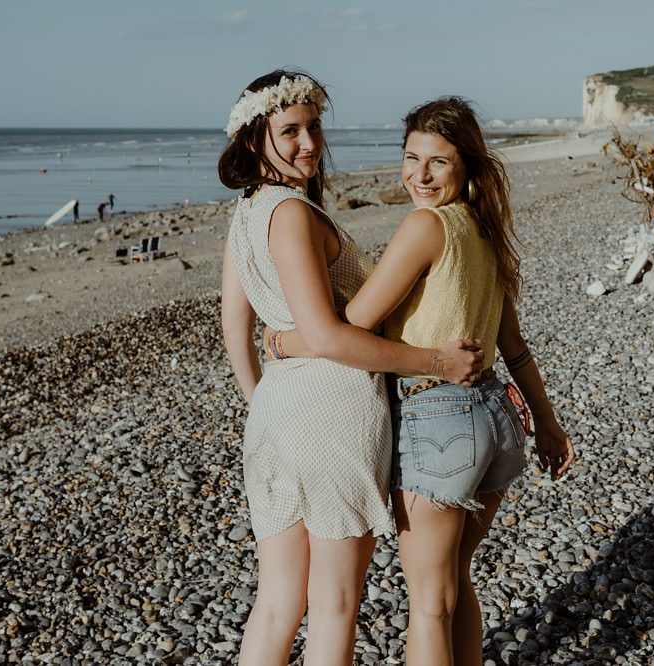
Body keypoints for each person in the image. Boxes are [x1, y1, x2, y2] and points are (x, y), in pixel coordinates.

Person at [269, 96, 575, 665]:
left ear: (467, 167)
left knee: (429, 602)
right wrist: (548, 426)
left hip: (440, 421)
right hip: (497, 422)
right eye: (411, 158)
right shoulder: (486, 231)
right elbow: (515, 348)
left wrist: (284, 342)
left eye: (438, 162)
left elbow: (349, 325)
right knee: (455, 581)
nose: (420, 175)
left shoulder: (424, 227)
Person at [217, 71, 483, 665]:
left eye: (313, 127)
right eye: (290, 131)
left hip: (273, 414)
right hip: (335, 414)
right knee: (335, 601)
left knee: (277, 600)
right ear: (254, 137)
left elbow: (237, 332)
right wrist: (434, 361)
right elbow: (329, 336)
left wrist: (265, 401)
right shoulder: (290, 214)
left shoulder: (244, 216)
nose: (309, 143)